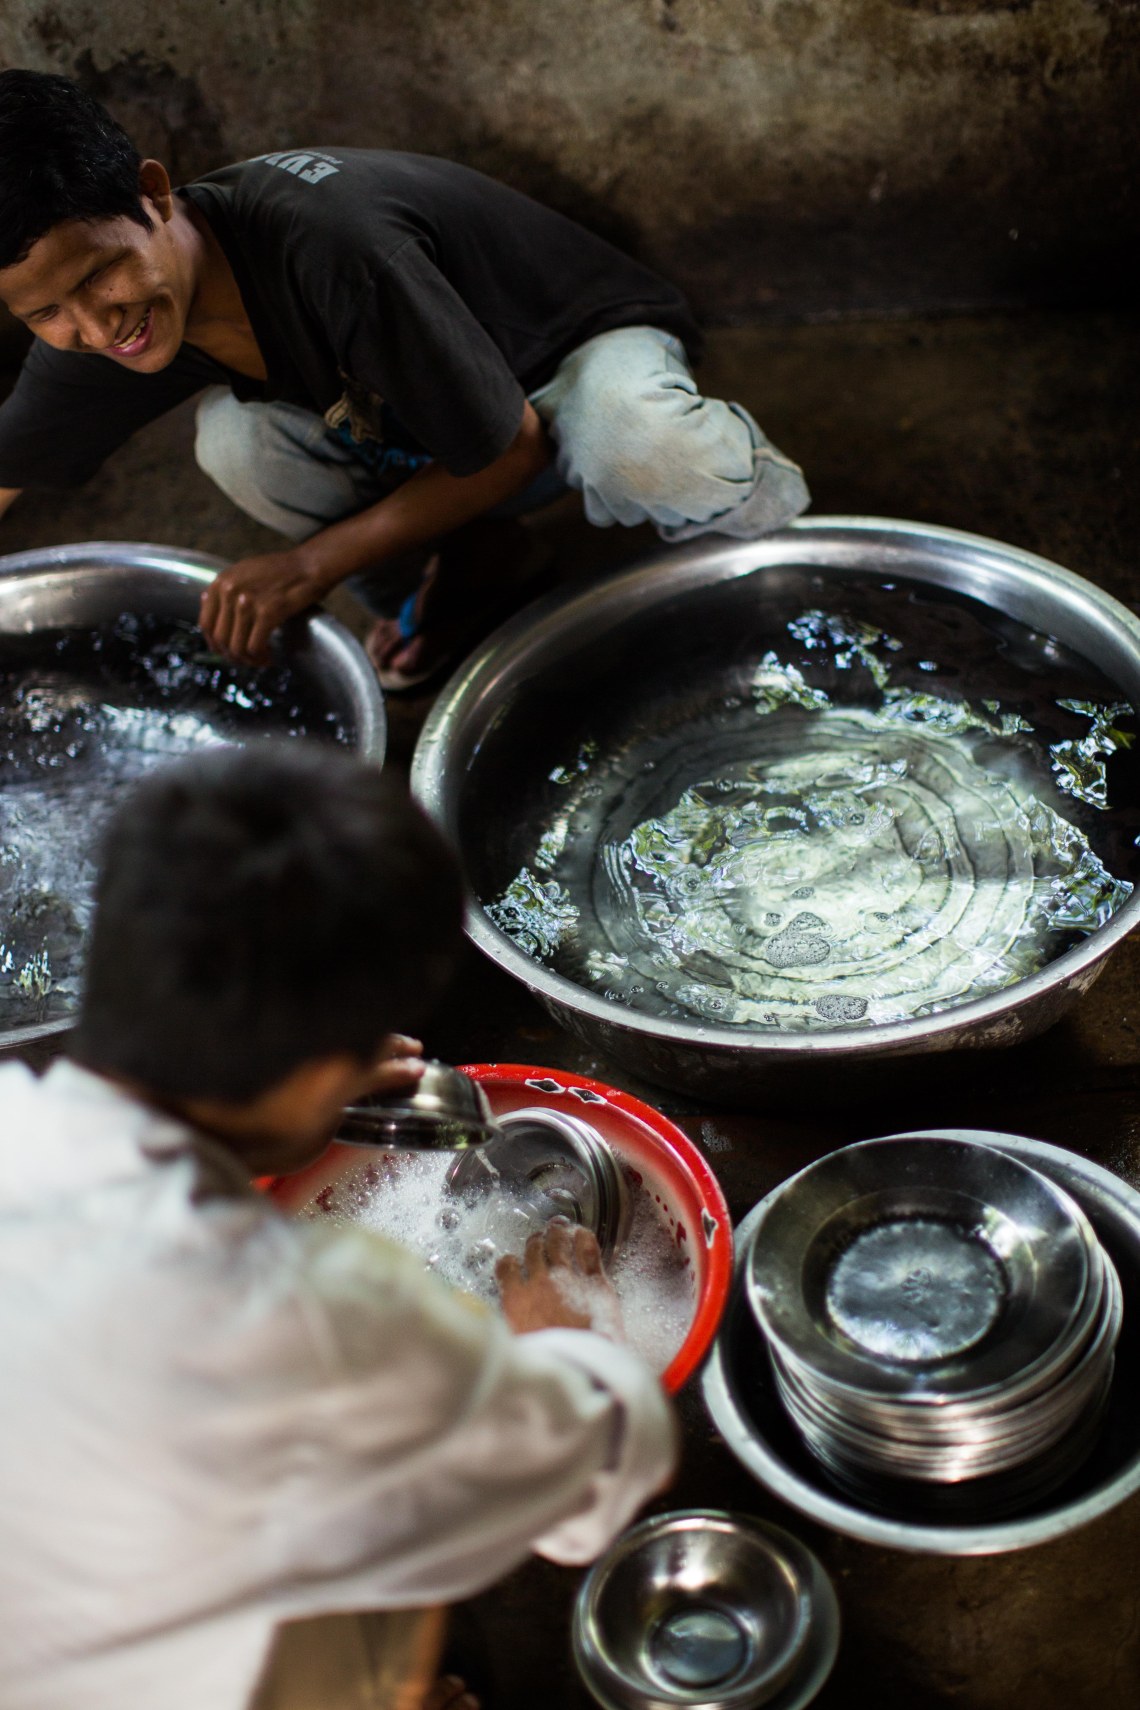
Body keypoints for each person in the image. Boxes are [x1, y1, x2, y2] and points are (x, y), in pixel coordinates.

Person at [0, 743, 676, 1710]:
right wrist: (569, 1338)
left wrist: (296, 1079)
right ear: (323, 1070)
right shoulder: (319, 1318)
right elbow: (594, 1479)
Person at [0, 69, 809, 691]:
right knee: (241, 444)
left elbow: (515, 451)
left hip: (566, 368)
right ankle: (468, 572)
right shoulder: (104, 322)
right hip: (434, 420)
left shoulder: (334, 250)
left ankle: (791, 562)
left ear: (154, 194)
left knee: (642, 444)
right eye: (45, 314)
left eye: (105, 274)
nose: (97, 327)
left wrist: (313, 567)